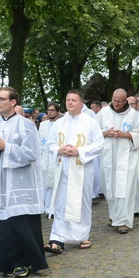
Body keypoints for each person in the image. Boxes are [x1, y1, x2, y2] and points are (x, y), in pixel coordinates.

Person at [0, 86, 48, 278]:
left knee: (21, 223)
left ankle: (27, 262)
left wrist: (7, 147)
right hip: (0, 183)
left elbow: (32, 153)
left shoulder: (25, 125)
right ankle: (8, 263)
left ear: (13, 102)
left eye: (2, 99)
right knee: (4, 224)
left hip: (20, 182)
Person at [44, 89, 103, 252]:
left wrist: (79, 151)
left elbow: (99, 144)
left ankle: (82, 236)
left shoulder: (91, 122)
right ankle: (57, 238)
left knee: (81, 202)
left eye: (74, 100)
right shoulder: (59, 123)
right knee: (61, 202)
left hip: (81, 168)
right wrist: (59, 150)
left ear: (81, 103)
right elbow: (50, 143)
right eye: (68, 99)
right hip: (63, 167)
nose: (70, 102)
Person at [97, 88, 139, 234]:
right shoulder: (103, 113)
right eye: (114, 100)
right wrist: (105, 133)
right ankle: (114, 216)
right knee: (110, 188)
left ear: (125, 101)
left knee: (125, 188)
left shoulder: (133, 115)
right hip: (108, 157)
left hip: (126, 158)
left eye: (119, 101)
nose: (116, 104)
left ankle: (123, 221)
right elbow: (91, 132)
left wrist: (126, 134)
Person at [39, 103, 61, 213]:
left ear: (57, 112)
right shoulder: (43, 125)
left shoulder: (61, 124)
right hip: (44, 156)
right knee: (45, 183)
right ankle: (46, 207)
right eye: (49, 110)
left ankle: (53, 208)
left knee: (54, 183)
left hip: (55, 156)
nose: (50, 112)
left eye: (52, 110)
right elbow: (39, 140)